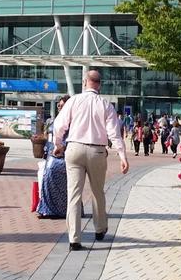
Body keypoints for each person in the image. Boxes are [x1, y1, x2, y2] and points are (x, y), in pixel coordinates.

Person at [52, 70, 128, 251]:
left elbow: (59, 124)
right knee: (97, 191)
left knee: (73, 195)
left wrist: (58, 144)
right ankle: (100, 229)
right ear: (99, 84)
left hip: (74, 148)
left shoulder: (74, 100)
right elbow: (114, 133)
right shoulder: (106, 105)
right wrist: (122, 156)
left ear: (85, 82)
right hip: (97, 151)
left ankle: (74, 239)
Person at [37, 124, 68, 219]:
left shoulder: (72, 120)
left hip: (64, 156)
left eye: (61, 107)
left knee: (53, 173)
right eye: (58, 107)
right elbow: (48, 139)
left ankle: (63, 210)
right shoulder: (53, 121)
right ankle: (47, 209)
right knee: (45, 177)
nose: (59, 107)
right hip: (52, 154)